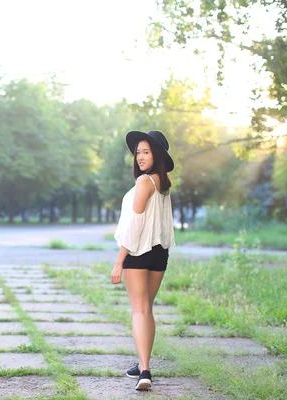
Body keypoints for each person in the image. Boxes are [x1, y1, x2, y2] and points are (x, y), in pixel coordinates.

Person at [111, 129, 175, 391]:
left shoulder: (144, 182)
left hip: (138, 253)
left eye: (146, 152)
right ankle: (141, 363)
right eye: (138, 153)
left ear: (156, 154)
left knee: (139, 310)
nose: (140, 157)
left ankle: (145, 371)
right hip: (160, 253)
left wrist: (119, 261)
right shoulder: (163, 183)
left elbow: (135, 224)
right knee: (147, 309)